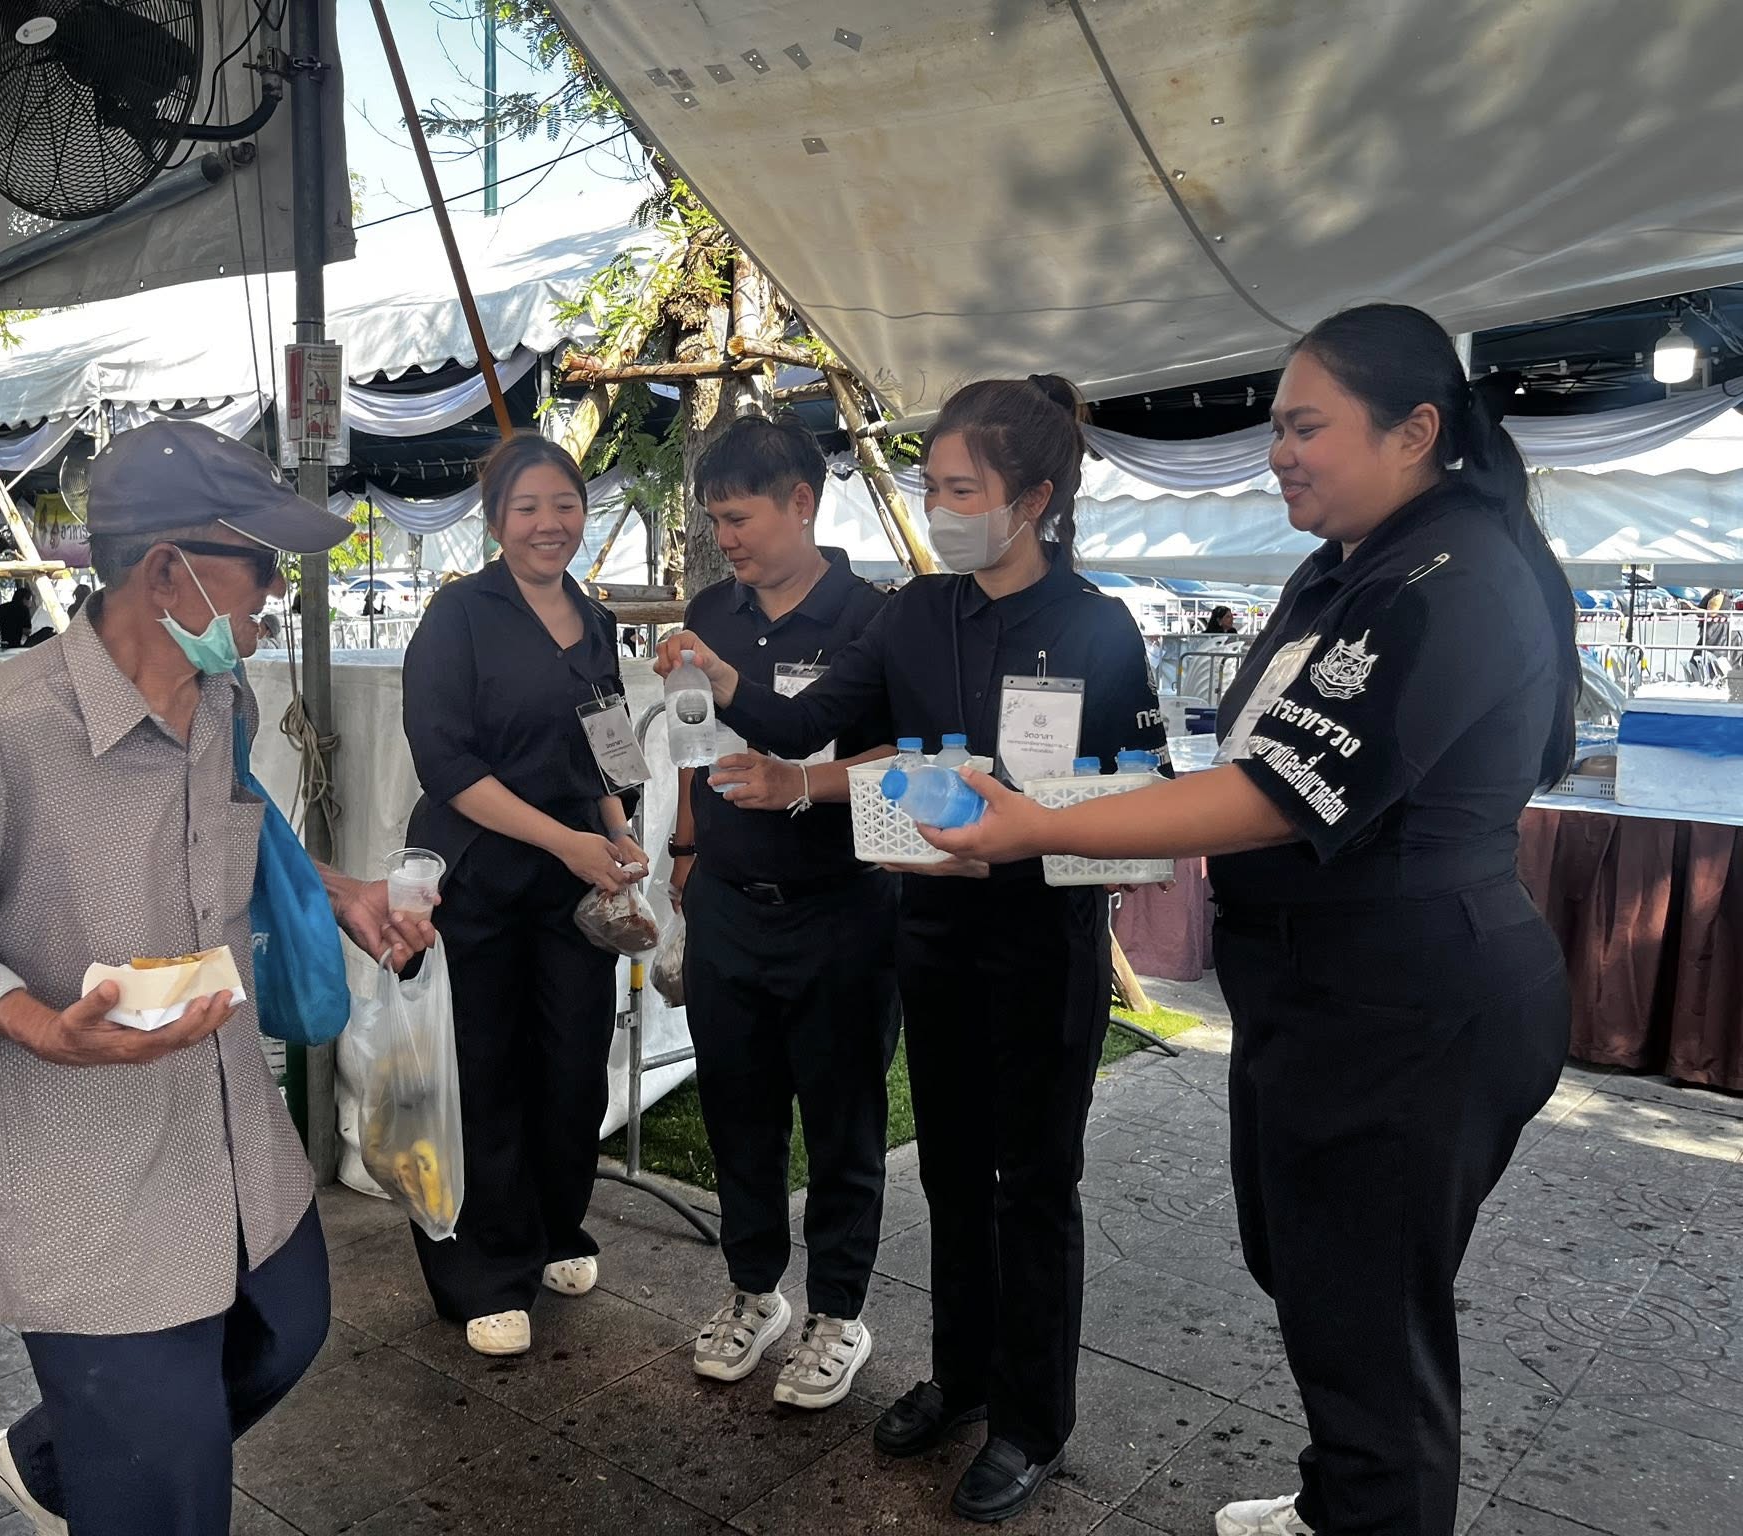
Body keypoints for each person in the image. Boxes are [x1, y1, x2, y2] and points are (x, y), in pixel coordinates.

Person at [921, 305, 1578, 1536]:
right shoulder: (1343, 570)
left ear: (1413, 431)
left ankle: (1370, 1508)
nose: (1276, 452)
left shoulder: (1452, 576)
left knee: (1370, 1320)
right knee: (1313, 1275)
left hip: (1407, 1001)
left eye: (1303, 427)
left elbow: (1274, 793)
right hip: (1316, 993)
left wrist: (1034, 826)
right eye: (1275, 426)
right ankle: (1339, 1499)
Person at [0, 421, 436, 1536]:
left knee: (290, 1324)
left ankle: (57, 1461)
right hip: (90, 1164)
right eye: (261, 565)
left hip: (228, 1121)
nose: (277, 594)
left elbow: (229, 839)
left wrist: (336, 890)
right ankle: (106, 1465)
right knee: (167, 1485)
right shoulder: (8, 731)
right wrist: (38, 1025)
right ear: (169, 571)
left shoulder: (222, 701)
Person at [658, 376, 1167, 1524]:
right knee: (946, 1169)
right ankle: (959, 1375)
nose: (939, 509)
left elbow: (1139, 812)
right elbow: (806, 726)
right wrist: (723, 680)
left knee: (1032, 1185)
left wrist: (1024, 836)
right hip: (930, 936)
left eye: (960, 490)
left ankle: (1030, 1420)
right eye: (930, 486)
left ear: (1032, 501)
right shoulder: (914, 614)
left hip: (1042, 947)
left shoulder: (1096, 627)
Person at [664, 415, 899, 1409]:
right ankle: (752, 1290)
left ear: (802, 502)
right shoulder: (709, 611)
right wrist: (684, 851)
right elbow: (691, 741)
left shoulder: (871, 619)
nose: (726, 539)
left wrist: (801, 782)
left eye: (739, 518)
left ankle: (838, 1311)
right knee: (737, 1109)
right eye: (715, 520)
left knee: (843, 1120)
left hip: (840, 906)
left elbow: (898, 757)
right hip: (727, 901)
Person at [400, 433, 648, 1358]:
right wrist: (568, 841)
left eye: (566, 504)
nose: (551, 523)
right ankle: (485, 1271)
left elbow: (606, 748)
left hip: (574, 883)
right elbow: (446, 764)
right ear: (496, 520)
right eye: (529, 507)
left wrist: (616, 831)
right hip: (480, 874)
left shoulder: (596, 620)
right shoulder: (458, 616)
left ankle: (553, 1229)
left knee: (573, 1064)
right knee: (486, 1072)